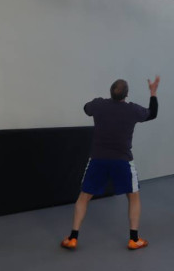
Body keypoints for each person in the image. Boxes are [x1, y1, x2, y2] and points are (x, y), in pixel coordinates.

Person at [61, 76, 160, 251]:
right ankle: (134, 239)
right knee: (133, 196)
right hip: (123, 161)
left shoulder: (99, 105)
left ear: (110, 92)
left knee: (84, 197)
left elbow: (86, 108)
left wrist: (98, 104)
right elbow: (152, 113)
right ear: (126, 94)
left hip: (98, 159)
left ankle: (73, 238)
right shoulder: (132, 109)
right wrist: (153, 93)